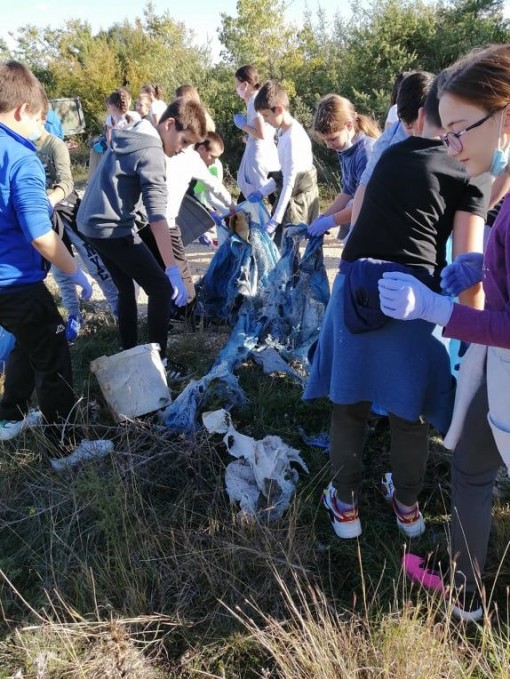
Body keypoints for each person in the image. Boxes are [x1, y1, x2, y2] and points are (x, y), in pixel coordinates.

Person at [304, 73, 490, 545]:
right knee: (411, 414)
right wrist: (473, 333)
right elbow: (469, 267)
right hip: (416, 299)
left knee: (349, 406)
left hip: (357, 289)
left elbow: (359, 220)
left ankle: (345, 507)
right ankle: (407, 507)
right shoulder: (469, 173)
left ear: (415, 115)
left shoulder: (387, 154)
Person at [378, 43, 510, 622]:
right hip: (494, 370)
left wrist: (438, 309)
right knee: (472, 467)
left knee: (476, 468)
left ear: (505, 117)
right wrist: (482, 268)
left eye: (459, 130)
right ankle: (465, 593)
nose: (451, 147)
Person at [0, 60, 104, 465]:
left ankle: (11, 416)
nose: (39, 130)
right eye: (39, 119)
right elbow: (42, 236)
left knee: (30, 341)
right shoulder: (21, 159)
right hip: (15, 281)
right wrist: (76, 273)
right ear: (24, 110)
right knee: (54, 351)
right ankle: (67, 447)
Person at [77, 97, 207, 360]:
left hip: (89, 223)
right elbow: (158, 216)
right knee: (159, 288)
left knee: (126, 287)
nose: (182, 150)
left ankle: (129, 352)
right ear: (169, 124)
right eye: (183, 141)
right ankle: (158, 361)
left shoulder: (137, 131)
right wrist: (172, 269)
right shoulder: (153, 152)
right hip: (110, 228)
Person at [34, 111, 118, 341]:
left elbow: (66, 181)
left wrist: (49, 198)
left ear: (41, 117)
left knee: (94, 262)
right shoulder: (23, 146)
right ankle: (73, 314)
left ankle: (118, 307)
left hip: (68, 210)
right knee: (60, 270)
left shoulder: (54, 144)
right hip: (44, 215)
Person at [350, 71, 435, 229]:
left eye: (414, 122)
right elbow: (365, 184)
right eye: (404, 122)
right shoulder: (389, 140)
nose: (410, 128)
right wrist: (354, 230)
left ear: (426, 114)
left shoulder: (451, 136)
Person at [245, 80, 319, 248]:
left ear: (278, 109)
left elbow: (290, 182)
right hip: (288, 195)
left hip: (298, 201)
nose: (265, 121)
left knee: (286, 250)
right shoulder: (282, 132)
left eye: (266, 116)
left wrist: (275, 220)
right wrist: (262, 191)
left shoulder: (293, 137)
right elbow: (283, 173)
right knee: (280, 248)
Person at [307, 94, 380, 241]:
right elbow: (348, 192)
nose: (329, 145)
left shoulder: (366, 152)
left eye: (332, 139)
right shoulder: (344, 149)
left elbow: (366, 203)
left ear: (349, 125)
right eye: (325, 140)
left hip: (373, 222)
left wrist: (331, 221)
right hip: (355, 216)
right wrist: (324, 217)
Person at [233, 65, 280, 202]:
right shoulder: (258, 97)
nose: (236, 87)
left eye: (237, 83)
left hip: (258, 154)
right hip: (265, 150)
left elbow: (261, 133)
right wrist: (248, 137)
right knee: (269, 190)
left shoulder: (253, 100)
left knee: (252, 192)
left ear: (245, 84)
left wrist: (243, 126)